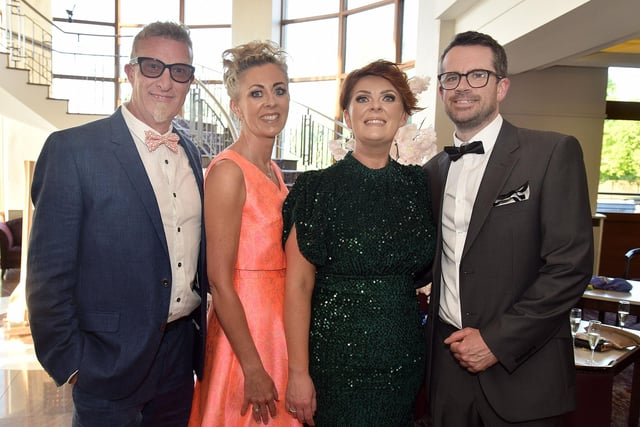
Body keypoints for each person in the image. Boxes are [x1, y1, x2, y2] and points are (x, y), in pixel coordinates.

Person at [26, 21, 207, 426]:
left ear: (190, 81)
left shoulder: (192, 154)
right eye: (152, 67)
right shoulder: (72, 151)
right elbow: (47, 277)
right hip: (106, 361)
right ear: (130, 72)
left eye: (178, 71)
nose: (165, 81)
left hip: (179, 359)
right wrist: (73, 364)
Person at [423, 31, 594, 426]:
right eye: (452, 77)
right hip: (448, 372)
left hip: (525, 371)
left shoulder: (552, 152)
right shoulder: (433, 172)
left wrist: (496, 342)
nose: (463, 86)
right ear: (441, 89)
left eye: (477, 75)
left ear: (502, 87)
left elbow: (569, 266)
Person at [282, 59, 436, 426]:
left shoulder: (420, 186)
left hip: (403, 357)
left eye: (388, 98)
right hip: (335, 360)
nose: (376, 107)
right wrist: (298, 373)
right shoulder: (316, 188)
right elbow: (298, 286)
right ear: (348, 116)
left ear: (403, 115)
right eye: (363, 99)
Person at [188, 40, 299, 427]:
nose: (271, 102)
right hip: (246, 333)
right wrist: (251, 367)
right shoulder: (228, 172)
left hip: (278, 325)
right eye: (256, 93)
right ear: (236, 107)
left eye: (279, 90)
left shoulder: (275, 173)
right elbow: (219, 280)